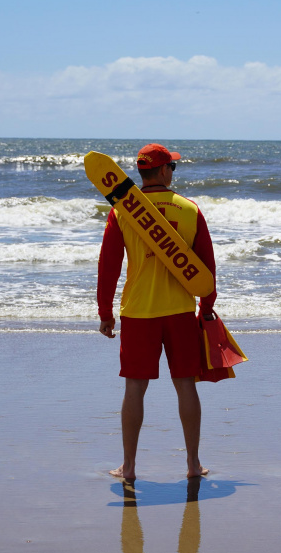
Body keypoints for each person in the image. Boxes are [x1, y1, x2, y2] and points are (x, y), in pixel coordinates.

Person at [97, 143, 217, 481]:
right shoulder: (189, 209)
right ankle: (193, 464)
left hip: (138, 311)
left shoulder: (122, 210)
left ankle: (129, 467)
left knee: (134, 388)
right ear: (163, 171)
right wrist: (207, 307)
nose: (173, 172)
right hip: (180, 311)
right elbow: (207, 266)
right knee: (186, 385)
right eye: (172, 167)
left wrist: (105, 311)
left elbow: (108, 266)